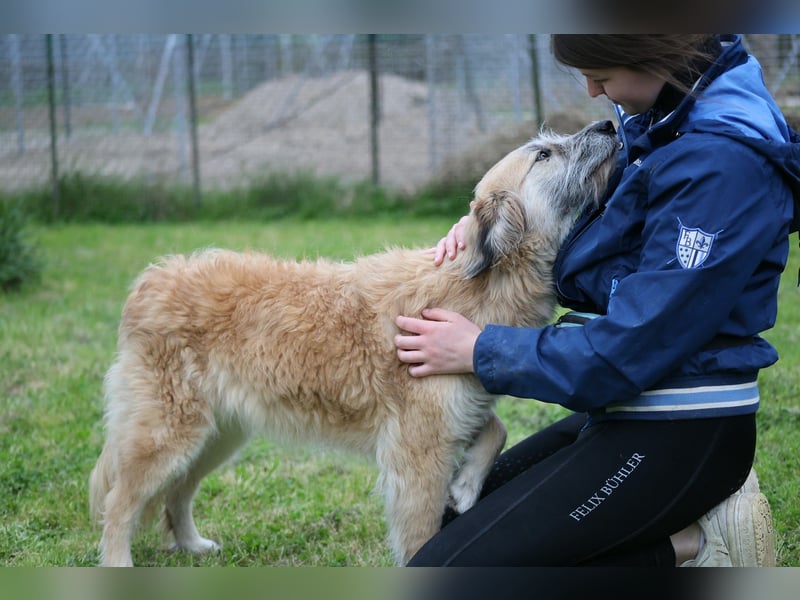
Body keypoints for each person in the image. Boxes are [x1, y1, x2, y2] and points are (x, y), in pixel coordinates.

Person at [394, 34, 800, 566]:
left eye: (602, 75)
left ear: (654, 54)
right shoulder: (670, 114)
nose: (590, 90)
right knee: (453, 519)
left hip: (681, 428)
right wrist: (488, 227)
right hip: (627, 412)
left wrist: (481, 351)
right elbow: (612, 240)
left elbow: (628, 348)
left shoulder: (721, 165)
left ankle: (698, 549)